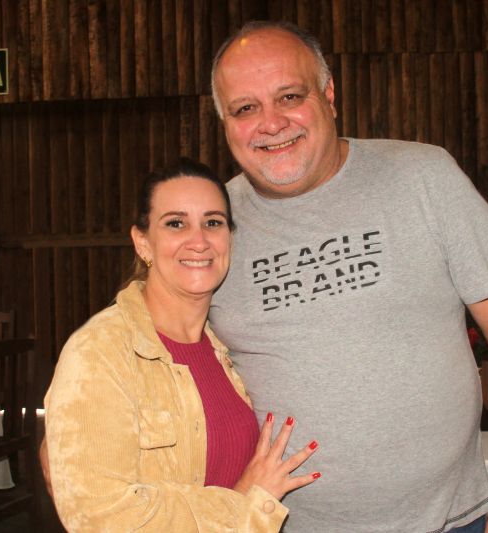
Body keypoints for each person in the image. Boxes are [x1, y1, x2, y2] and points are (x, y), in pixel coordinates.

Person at [208, 21, 488, 533]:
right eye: (245, 108)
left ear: (329, 95)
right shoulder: (207, 226)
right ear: (225, 122)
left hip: (452, 523)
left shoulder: (424, 177)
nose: (271, 123)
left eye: (289, 97)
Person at [43, 158, 321, 532]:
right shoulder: (100, 351)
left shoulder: (225, 346)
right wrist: (244, 502)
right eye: (176, 223)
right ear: (143, 242)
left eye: (213, 222)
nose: (199, 240)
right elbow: (100, 517)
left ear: (229, 238)